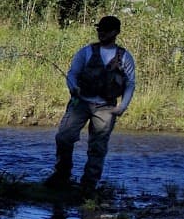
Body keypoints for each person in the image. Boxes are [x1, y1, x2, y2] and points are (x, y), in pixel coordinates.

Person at [47, 15, 135, 192]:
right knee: (64, 137)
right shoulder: (86, 52)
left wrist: (122, 106)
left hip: (107, 107)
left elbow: (130, 83)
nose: (101, 33)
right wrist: (73, 88)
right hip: (80, 102)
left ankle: (88, 186)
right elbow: (72, 74)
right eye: (99, 29)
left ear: (116, 32)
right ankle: (62, 175)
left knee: (98, 147)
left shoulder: (124, 57)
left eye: (106, 30)